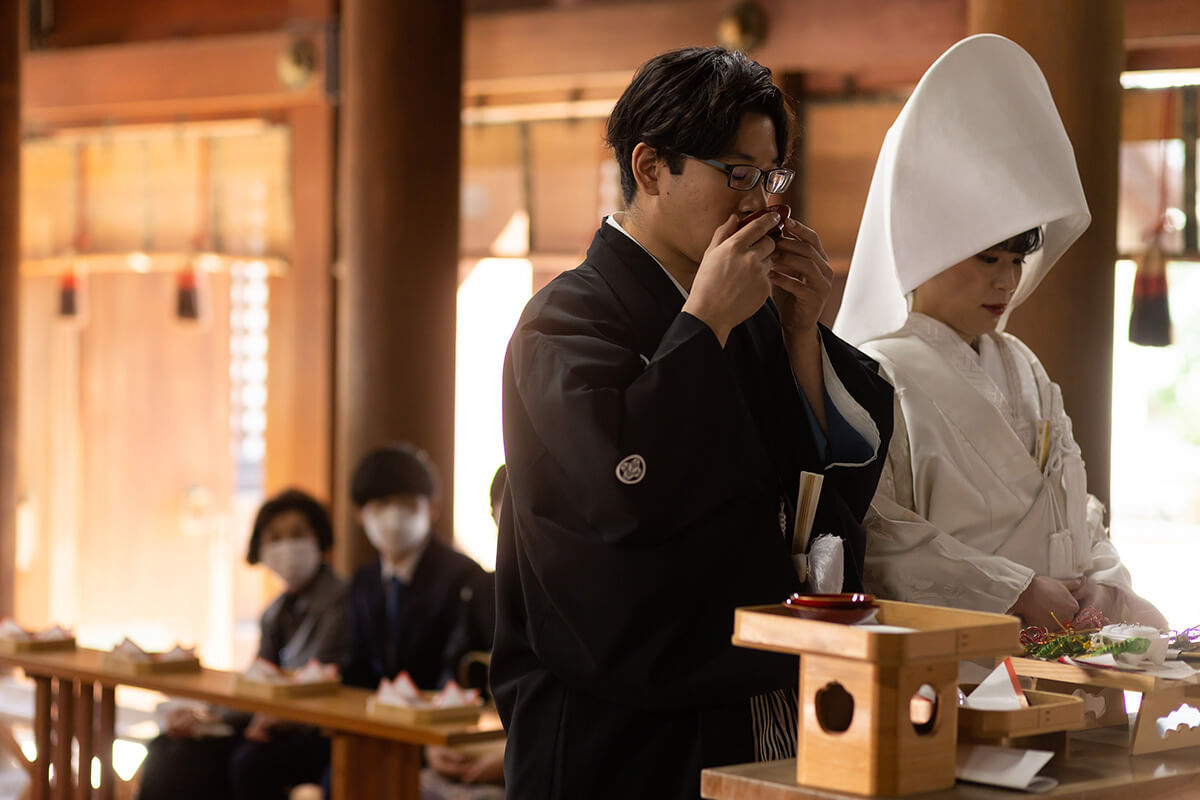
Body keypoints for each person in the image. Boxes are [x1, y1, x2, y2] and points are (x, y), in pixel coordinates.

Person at [492, 46, 894, 800]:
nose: (761, 202)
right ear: (650, 168)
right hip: (619, 728)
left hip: (757, 686)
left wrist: (802, 334)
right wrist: (703, 322)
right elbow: (618, 488)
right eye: (738, 174)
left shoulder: (752, 316)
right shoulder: (564, 321)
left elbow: (817, 493)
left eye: (771, 177)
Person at [834, 34, 1168, 632]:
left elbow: (1075, 510)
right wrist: (1012, 591)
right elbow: (879, 536)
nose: (1007, 280)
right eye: (988, 258)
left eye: (1017, 259)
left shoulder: (1022, 364)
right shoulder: (874, 370)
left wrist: (1104, 582)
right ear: (926, 249)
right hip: (957, 653)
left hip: (1063, 640)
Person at [137, 489, 350, 800]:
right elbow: (257, 680)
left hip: (316, 728)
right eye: (275, 538)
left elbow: (322, 677)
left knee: (247, 762)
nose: (286, 546)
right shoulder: (274, 612)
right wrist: (208, 717)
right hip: (267, 719)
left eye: (297, 534)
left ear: (319, 538)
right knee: (167, 747)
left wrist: (276, 717)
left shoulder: (341, 601)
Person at [340, 442, 488, 691]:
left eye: (407, 503)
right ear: (359, 513)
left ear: (433, 507)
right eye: (381, 504)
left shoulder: (465, 577)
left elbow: (461, 668)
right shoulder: (364, 580)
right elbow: (357, 664)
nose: (394, 517)